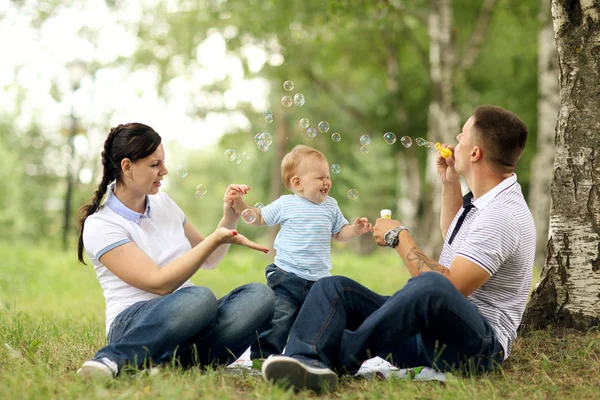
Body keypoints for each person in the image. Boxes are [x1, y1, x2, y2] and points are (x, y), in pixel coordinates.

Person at [261, 105, 536, 393]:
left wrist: (398, 236)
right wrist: (449, 182)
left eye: (463, 133)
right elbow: (455, 238)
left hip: (472, 349)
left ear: (475, 153)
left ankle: (343, 355)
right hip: (431, 335)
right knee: (335, 289)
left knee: (431, 284)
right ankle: (304, 361)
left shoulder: (501, 214)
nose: (456, 138)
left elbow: (451, 287)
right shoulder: (485, 201)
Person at [76, 122, 275, 379]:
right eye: (154, 164)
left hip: (192, 321)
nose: (164, 171)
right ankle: (112, 359)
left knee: (260, 295)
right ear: (127, 167)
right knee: (199, 297)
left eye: (163, 163)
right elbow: (159, 284)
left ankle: (169, 361)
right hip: (134, 322)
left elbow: (210, 259)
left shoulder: (164, 203)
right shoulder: (102, 224)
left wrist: (230, 218)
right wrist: (214, 239)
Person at [230, 144, 372, 361]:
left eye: (328, 177)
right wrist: (241, 206)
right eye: (320, 178)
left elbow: (339, 233)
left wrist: (355, 229)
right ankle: (264, 358)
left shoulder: (331, 206)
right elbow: (258, 217)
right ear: (297, 183)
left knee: (318, 322)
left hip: (319, 283)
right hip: (287, 276)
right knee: (278, 320)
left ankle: (308, 356)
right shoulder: (286, 204)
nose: (327, 182)